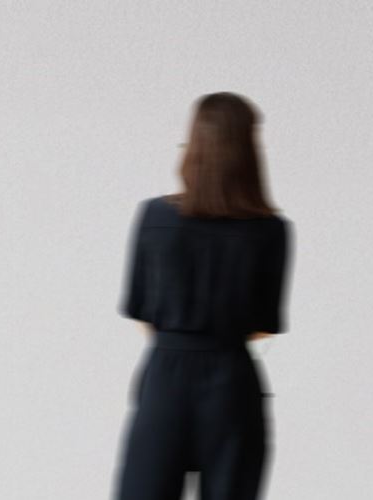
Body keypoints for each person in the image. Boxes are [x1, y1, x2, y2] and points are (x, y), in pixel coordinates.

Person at [114, 92, 290, 499]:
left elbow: (142, 311)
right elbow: (264, 325)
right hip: (231, 380)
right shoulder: (271, 230)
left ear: (194, 143)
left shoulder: (154, 217)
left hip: (165, 378)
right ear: (248, 151)